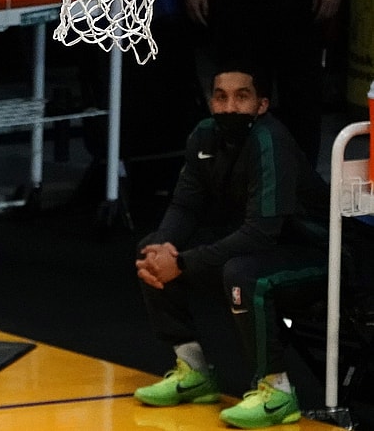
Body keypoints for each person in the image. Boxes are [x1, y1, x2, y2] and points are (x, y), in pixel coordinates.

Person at [133, 63, 330, 429]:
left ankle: (278, 391)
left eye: (242, 97)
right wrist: (164, 250)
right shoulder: (204, 136)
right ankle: (193, 370)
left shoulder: (271, 141)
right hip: (263, 247)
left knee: (243, 274)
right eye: (221, 97)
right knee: (151, 249)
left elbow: (260, 233)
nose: (229, 107)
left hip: (318, 256)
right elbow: (185, 206)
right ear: (211, 102)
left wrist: (185, 264)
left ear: (262, 105)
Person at [183, 0, 343, 170]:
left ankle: (301, 186)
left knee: (302, 101)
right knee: (239, 95)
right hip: (237, 3)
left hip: (300, 1)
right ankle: (242, 183)